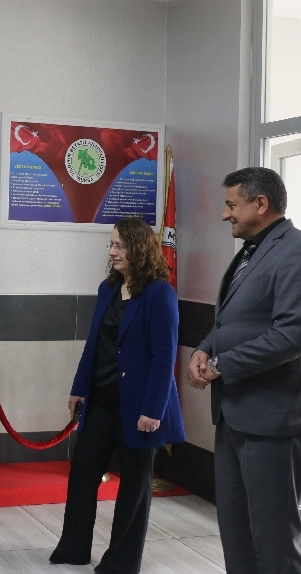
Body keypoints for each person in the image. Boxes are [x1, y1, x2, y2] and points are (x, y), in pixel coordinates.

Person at [50, 217, 185, 573]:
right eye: (111, 245)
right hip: (101, 400)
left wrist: (153, 409)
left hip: (140, 406)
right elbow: (94, 343)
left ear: (139, 249)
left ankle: (121, 562)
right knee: (83, 472)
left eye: (119, 246)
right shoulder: (108, 288)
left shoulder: (160, 293)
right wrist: (79, 387)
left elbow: (165, 357)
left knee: (135, 486)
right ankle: (74, 547)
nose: (112, 252)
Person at [186, 167, 301, 573]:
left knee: (273, 538)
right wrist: (204, 348)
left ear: (260, 204)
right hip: (232, 414)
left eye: (231, 205)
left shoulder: (294, 251)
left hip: (269, 419)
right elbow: (234, 319)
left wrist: (222, 365)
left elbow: (291, 335)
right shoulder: (251, 250)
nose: (225, 215)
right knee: (236, 533)